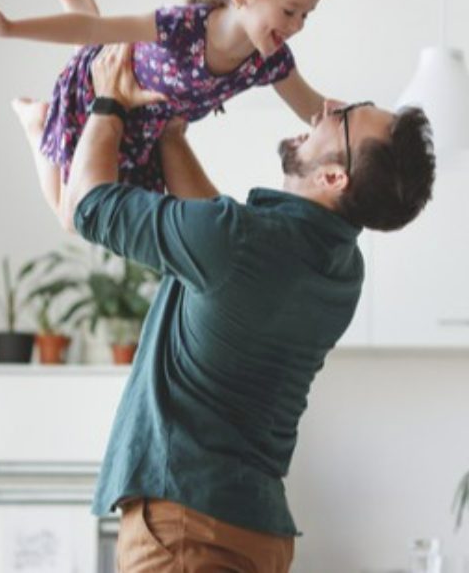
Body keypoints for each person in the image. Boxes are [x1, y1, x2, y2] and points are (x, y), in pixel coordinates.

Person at [61, 45, 435, 572]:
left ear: (334, 178)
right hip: (256, 533)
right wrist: (170, 135)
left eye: (344, 117)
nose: (327, 108)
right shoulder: (342, 270)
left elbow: (86, 204)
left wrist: (108, 103)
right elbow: (218, 240)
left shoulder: (238, 243)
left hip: (186, 532)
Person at [0, 0, 333, 218]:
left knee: (105, 213)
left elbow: (318, 111)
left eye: (306, 15)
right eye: (289, 11)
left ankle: (82, 10)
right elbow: (96, 31)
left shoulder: (270, 61)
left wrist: (387, 126)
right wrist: (9, 28)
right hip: (96, 93)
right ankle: (36, 123)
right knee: (72, 218)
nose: (297, 25)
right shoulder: (182, 27)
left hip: (143, 131)